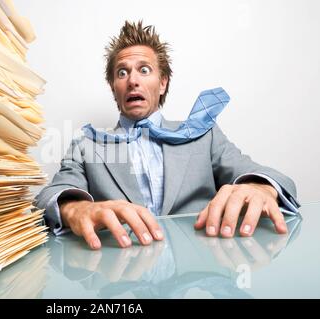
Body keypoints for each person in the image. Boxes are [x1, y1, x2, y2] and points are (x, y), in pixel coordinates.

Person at [35, 21, 300, 250]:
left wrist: (259, 188)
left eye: (144, 70)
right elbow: (50, 195)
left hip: (200, 267)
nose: (132, 81)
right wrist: (75, 209)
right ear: (114, 88)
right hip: (122, 275)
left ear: (163, 83)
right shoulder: (85, 145)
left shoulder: (203, 134)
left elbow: (261, 174)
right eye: (122, 72)